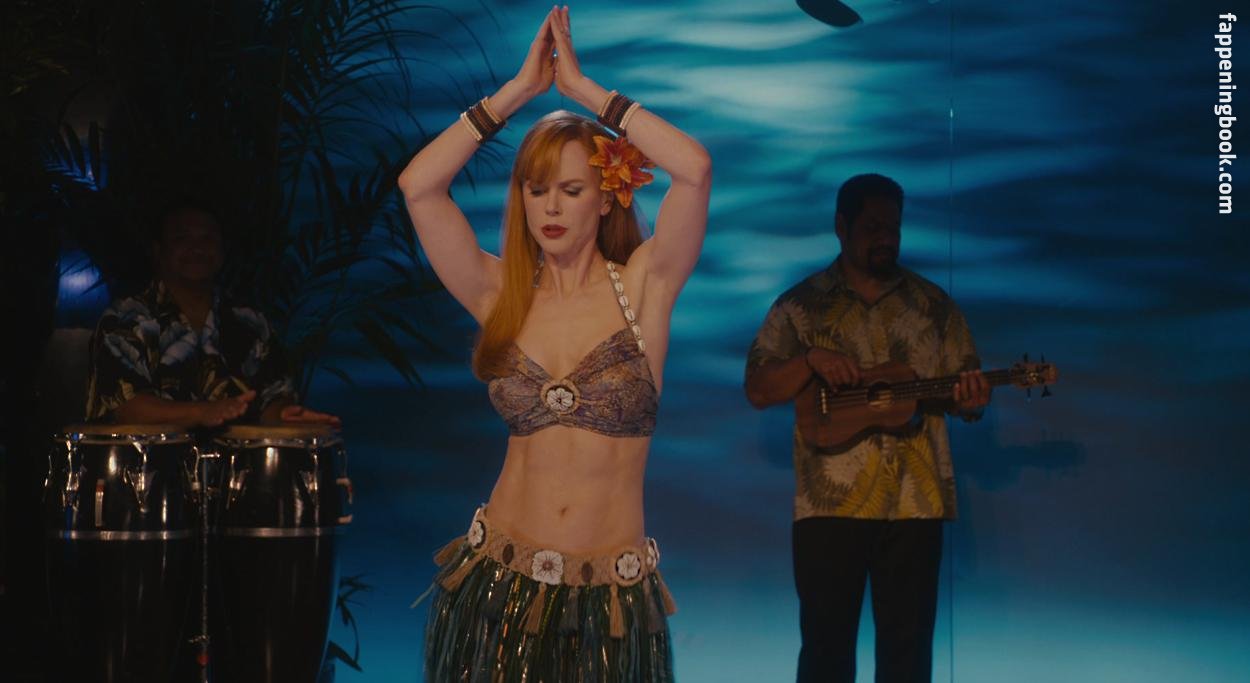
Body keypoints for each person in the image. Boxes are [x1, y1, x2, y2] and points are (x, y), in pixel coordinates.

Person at [398, 6, 710, 680]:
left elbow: (693, 168)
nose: (551, 208)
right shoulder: (499, 294)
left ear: (607, 196)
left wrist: (585, 92)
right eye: (536, 190)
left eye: (571, 189)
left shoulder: (645, 286)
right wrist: (516, 93)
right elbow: (418, 187)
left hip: (608, 604)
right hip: (498, 585)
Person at [744, 173, 990, 683]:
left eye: (893, 228)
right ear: (842, 226)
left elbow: (963, 391)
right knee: (826, 652)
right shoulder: (800, 306)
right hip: (829, 505)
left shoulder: (933, 306)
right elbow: (759, 389)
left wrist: (971, 401)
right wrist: (809, 359)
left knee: (908, 654)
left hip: (915, 504)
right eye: (873, 227)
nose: (886, 239)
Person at [85, 200, 340, 428]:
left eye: (207, 239)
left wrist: (283, 416)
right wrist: (203, 412)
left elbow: (272, 398)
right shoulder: (126, 318)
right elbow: (126, 408)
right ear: (158, 250)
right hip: (148, 464)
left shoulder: (250, 321)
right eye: (182, 239)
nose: (197, 248)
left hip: (239, 465)